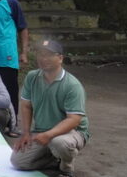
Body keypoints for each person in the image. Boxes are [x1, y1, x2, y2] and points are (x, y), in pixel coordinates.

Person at [11, 40, 89, 177]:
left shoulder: (72, 85)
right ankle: (55, 158)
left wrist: (49, 135)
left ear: (60, 58)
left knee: (60, 143)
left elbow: (74, 120)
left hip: (72, 132)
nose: (44, 58)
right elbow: (26, 105)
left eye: (49, 55)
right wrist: (26, 133)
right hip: (41, 131)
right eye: (40, 54)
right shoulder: (32, 77)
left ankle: (66, 167)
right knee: (18, 162)